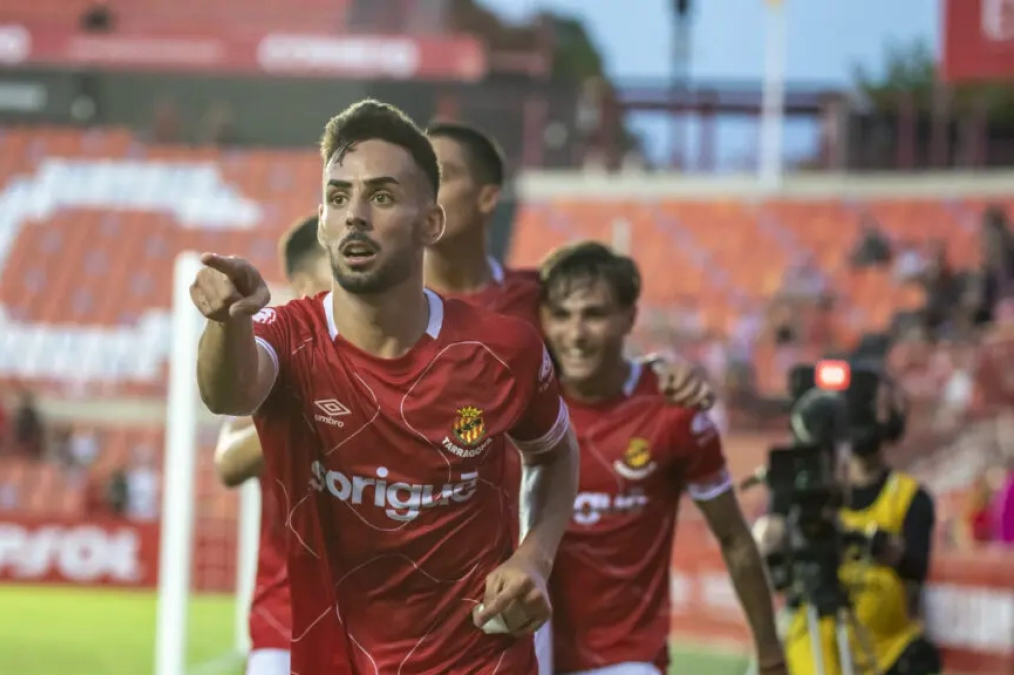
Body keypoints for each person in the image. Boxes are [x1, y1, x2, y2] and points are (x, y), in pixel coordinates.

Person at [193, 99, 578, 673]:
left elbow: (555, 453)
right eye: (338, 196)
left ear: (431, 222)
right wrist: (227, 322)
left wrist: (535, 556)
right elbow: (227, 395)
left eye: (381, 196)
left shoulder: (504, 350)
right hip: (336, 658)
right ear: (322, 222)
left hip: (478, 659)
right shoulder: (289, 335)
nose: (354, 215)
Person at [426, 121, 714, 673]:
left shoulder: (532, 299)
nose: (426, 189)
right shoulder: (387, 304)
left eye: (442, 174)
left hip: (504, 556)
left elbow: (594, 353)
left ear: (489, 197)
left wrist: (659, 369)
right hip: (406, 548)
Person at [536, 242, 786, 675]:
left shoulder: (673, 413)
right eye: (561, 315)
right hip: (524, 656)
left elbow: (734, 538)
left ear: (629, 318)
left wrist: (769, 653)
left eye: (594, 315)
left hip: (625, 662)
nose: (575, 334)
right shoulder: (521, 402)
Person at [754, 367, 940, 675]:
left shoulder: (909, 497)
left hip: (886, 653)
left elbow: (916, 571)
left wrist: (885, 549)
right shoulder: (802, 488)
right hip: (814, 642)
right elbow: (770, 547)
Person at [213, 213, 327, 675]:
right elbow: (228, 463)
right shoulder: (276, 356)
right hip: (286, 619)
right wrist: (312, 407)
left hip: (377, 623)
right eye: (335, 271)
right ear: (302, 282)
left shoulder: (395, 356)